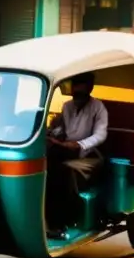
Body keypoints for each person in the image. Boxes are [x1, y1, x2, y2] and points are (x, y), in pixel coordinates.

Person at [45, 72, 108, 236]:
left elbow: (100, 135)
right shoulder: (67, 106)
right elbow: (62, 129)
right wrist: (53, 133)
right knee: (44, 165)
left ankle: (62, 221)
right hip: (66, 149)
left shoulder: (98, 108)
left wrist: (80, 144)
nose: (76, 94)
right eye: (75, 90)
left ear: (90, 88)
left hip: (89, 155)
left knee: (65, 171)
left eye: (80, 90)